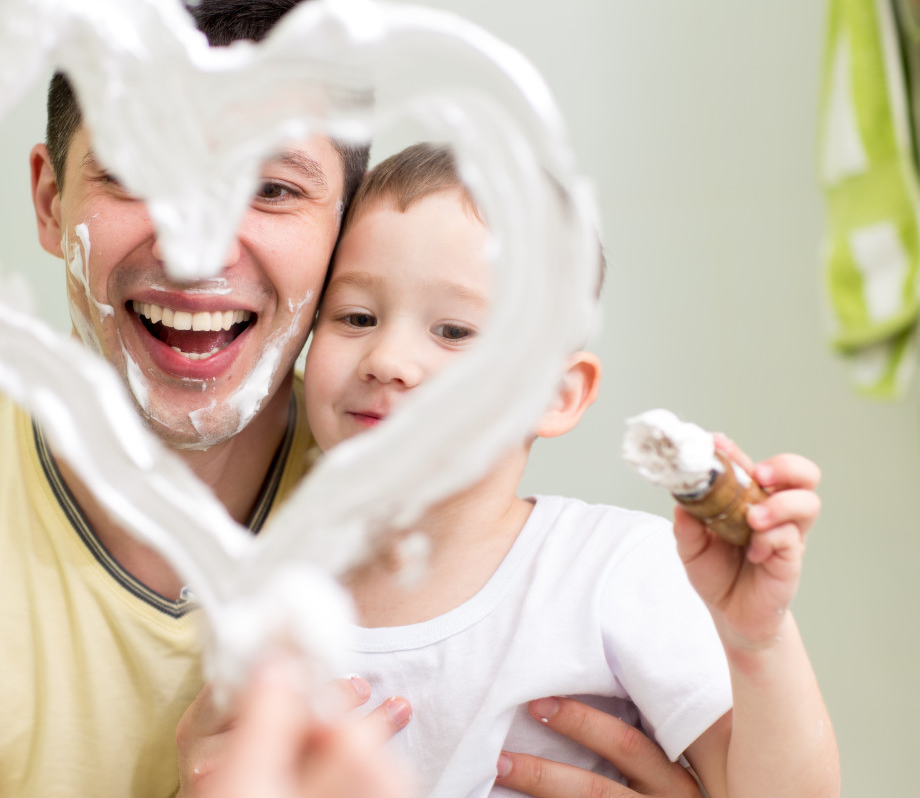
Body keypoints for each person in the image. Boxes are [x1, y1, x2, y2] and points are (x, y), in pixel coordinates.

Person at [0, 1, 719, 798]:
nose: (198, 245)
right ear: (48, 200)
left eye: (274, 189)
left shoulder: (428, 488)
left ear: (344, 226)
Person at [297, 143, 840, 797]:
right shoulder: (270, 594)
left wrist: (758, 642)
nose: (386, 359)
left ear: (557, 396)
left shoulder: (611, 571)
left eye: (454, 331)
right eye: (357, 317)